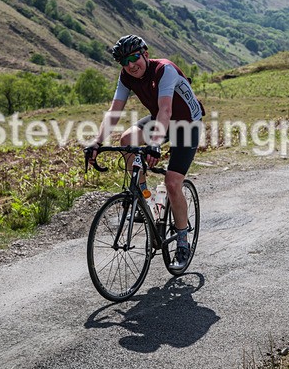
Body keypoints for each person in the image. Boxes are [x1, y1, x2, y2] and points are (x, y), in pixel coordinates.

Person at [85, 34, 204, 270]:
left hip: (186, 123)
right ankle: (144, 197)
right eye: (124, 61)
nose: (130, 65)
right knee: (127, 139)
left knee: (172, 183)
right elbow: (114, 111)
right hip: (162, 119)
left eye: (134, 57)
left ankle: (182, 241)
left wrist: (155, 143)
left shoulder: (164, 70)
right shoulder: (126, 76)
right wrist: (97, 142)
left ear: (145, 54)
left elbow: (166, 109)